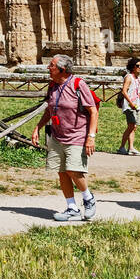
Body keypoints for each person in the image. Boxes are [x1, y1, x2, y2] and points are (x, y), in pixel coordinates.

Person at [31, 54, 99, 221]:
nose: (48, 68)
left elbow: (93, 111)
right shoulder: (53, 85)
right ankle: (72, 208)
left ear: (62, 69)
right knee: (62, 172)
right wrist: (37, 128)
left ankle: (88, 199)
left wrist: (91, 137)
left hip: (77, 136)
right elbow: (49, 109)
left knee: (73, 170)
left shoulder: (78, 84)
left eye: (51, 65)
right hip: (57, 136)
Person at [116, 56, 140, 155]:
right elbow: (124, 91)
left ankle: (131, 148)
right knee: (131, 126)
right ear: (132, 66)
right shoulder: (129, 77)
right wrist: (131, 103)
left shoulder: (137, 78)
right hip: (129, 105)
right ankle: (121, 147)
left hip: (135, 105)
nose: (139, 68)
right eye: (137, 66)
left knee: (133, 126)